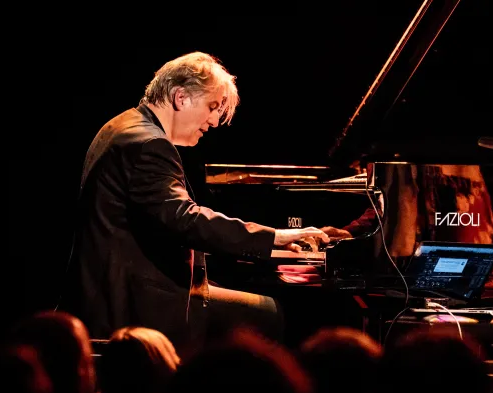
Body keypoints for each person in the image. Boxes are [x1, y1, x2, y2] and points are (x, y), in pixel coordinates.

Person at [61, 51, 328, 351]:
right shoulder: (150, 144)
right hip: (135, 304)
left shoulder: (124, 126)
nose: (214, 121)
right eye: (212, 107)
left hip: (118, 290)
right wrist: (274, 238)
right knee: (271, 314)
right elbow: (186, 220)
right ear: (180, 97)